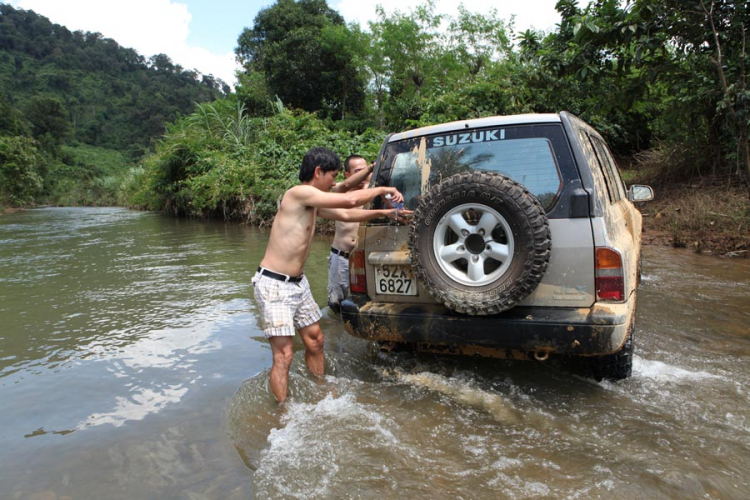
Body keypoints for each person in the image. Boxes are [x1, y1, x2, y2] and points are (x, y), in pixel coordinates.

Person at [252, 147, 410, 403]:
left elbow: (348, 213)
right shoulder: (298, 193)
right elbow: (349, 200)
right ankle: (283, 411)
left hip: (297, 283)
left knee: (315, 341)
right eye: (333, 176)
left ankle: (320, 390)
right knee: (284, 355)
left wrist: (385, 213)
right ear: (318, 172)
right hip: (275, 284)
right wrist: (383, 190)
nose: (335, 182)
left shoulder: (312, 202)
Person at [327, 154, 373, 312]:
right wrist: (371, 168)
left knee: (365, 305)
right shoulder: (340, 191)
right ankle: (335, 335)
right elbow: (346, 185)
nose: (365, 174)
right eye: (359, 171)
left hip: (364, 260)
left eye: (367, 170)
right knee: (336, 305)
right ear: (347, 174)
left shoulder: (371, 190)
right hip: (342, 257)